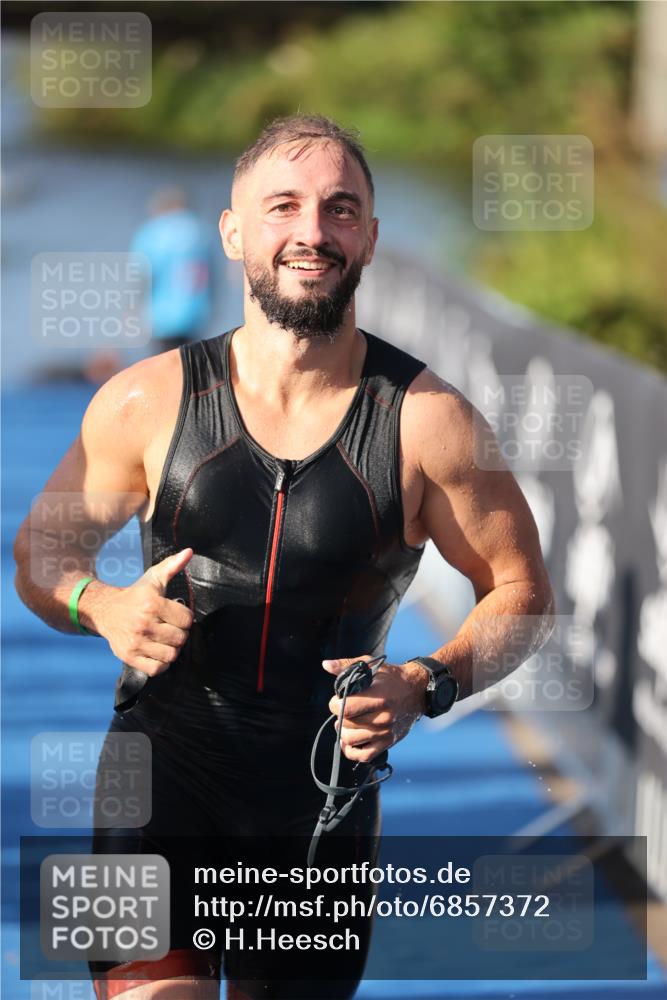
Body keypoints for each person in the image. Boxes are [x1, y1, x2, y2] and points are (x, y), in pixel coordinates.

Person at [13, 114, 554, 1000]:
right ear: (233, 232)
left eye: (340, 210)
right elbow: (42, 548)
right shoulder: (142, 401)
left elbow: (520, 591)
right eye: (283, 207)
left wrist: (427, 681)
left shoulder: (430, 423)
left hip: (318, 811)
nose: (311, 231)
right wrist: (97, 604)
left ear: (371, 237)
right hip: (148, 781)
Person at [131, 186, 214, 353]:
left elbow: (142, 276)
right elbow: (212, 277)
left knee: (164, 366)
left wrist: (133, 310)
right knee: (189, 364)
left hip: (162, 316)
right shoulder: (203, 231)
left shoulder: (153, 231)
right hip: (195, 314)